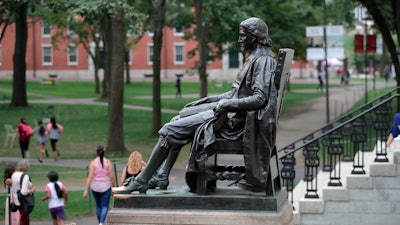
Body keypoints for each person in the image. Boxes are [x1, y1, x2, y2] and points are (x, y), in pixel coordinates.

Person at [113, 17, 277, 194]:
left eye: (243, 36)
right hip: (230, 115)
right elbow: (238, 93)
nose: (240, 40)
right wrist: (209, 100)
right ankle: (161, 175)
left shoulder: (263, 61)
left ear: (255, 36)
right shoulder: (255, 58)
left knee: (169, 130)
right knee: (179, 117)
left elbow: (260, 99)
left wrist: (227, 103)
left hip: (234, 124)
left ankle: (141, 180)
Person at [83, 145, 115, 225]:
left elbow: (90, 176)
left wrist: (86, 189)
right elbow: (111, 176)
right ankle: (101, 222)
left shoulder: (93, 163)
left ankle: (99, 222)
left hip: (95, 187)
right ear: (104, 152)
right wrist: (114, 187)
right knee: (105, 206)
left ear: (96, 152)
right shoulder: (108, 162)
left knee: (98, 206)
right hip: (106, 186)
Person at [11, 159, 36, 225]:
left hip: (16, 199)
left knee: (25, 217)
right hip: (23, 200)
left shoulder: (14, 175)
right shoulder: (25, 176)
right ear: (27, 167)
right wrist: (31, 190)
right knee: (24, 218)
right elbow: (24, 191)